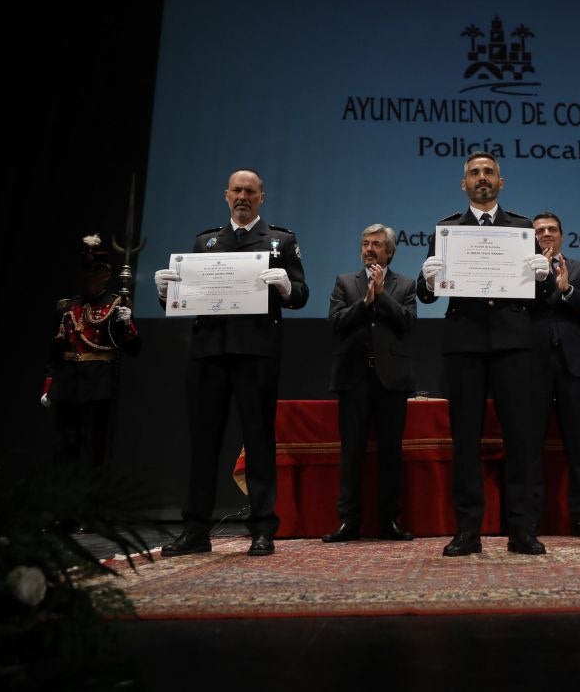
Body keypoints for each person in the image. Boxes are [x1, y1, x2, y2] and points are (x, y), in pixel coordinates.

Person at [154, 169, 309, 557]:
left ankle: (261, 529)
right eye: (237, 190)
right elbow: (187, 297)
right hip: (208, 354)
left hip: (256, 354)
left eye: (250, 191)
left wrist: (287, 287)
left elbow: (302, 294)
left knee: (258, 442)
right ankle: (195, 531)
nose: (243, 196)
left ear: (262, 197)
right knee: (202, 444)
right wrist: (165, 293)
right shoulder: (205, 242)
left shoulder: (280, 241)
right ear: (226, 195)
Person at [417, 152, 554, 556]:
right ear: (464, 184)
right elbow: (428, 293)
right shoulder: (446, 229)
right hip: (464, 344)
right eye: (474, 173)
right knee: (465, 441)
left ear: (501, 182)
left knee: (522, 440)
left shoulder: (521, 228)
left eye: (488, 172)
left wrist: (543, 278)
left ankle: (522, 529)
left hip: (514, 343)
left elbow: (541, 294)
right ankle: (467, 531)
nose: (482, 178)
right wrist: (427, 279)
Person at [323, 224, 417, 543]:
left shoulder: (405, 284)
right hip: (353, 378)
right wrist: (365, 302)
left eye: (377, 244)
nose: (369, 249)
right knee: (352, 452)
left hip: (392, 380)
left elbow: (407, 322)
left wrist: (382, 296)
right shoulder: (344, 282)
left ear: (390, 251)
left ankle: (389, 520)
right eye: (365, 244)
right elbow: (335, 323)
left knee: (390, 452)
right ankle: (349, 521)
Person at [531, 211, 580, 538]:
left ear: (561, 235)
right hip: (534, 366)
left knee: (579, 448)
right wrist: (543, 280)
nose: (546, 234)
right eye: (540, 231)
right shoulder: (524, 270)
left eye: (551, 229)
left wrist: (569, 290)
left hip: (574, 365)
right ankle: (529, 519)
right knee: (530, 447)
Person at [41, 235, 141, 474]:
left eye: (94, 272)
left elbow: (134, 349)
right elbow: (55, 349)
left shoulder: (116, 305)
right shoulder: (67, 307)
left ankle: (93, 503)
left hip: (99, 383)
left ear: (105, 275)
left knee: (96, 448)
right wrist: (48, 384)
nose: (89, 278)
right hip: (68, 383)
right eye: (86, 272)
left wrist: (128, 325)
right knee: (65, 446)